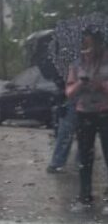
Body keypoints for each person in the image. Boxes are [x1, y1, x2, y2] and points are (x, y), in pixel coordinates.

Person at [65, 29, 108, 213]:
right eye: (84, 44)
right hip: (83, 113)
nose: (87, 49)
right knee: (84, 157)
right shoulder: (76, 63)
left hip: (105, 112)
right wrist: (81, 84)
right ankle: (84, 196)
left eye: (90, 44)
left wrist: (101, 85)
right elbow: (69, 92)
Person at [48, 71, 78, 174]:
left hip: (75, 98)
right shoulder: (74, 64)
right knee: (67, 132)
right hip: (72, 98)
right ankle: (58, 163)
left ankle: (59, 162)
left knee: (78, 134)